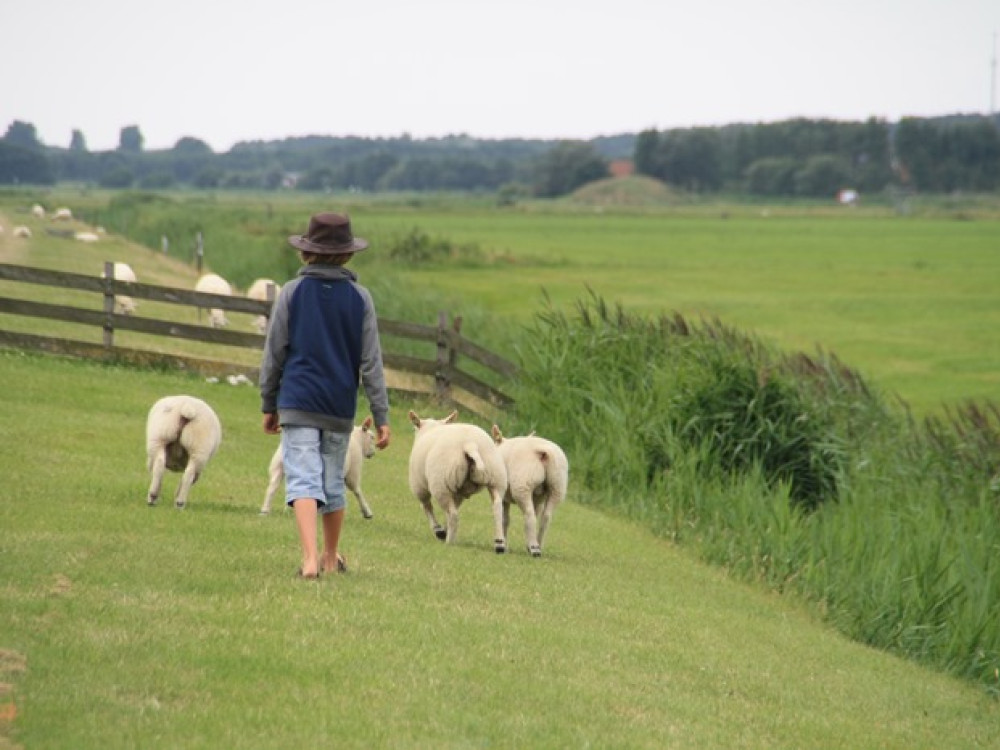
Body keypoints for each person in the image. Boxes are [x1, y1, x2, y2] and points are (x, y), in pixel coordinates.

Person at [259, 212, 391, 579]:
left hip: (297, 401)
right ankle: (332, 557)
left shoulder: (292, 293)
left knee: (302, 478)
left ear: (307, 252)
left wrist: (269, 403)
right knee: (332, 481)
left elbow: (274, 353)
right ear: (348, 254)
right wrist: (381, 417)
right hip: (338, 406)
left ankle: (309, 559)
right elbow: (372, 363)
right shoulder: (360, 299)